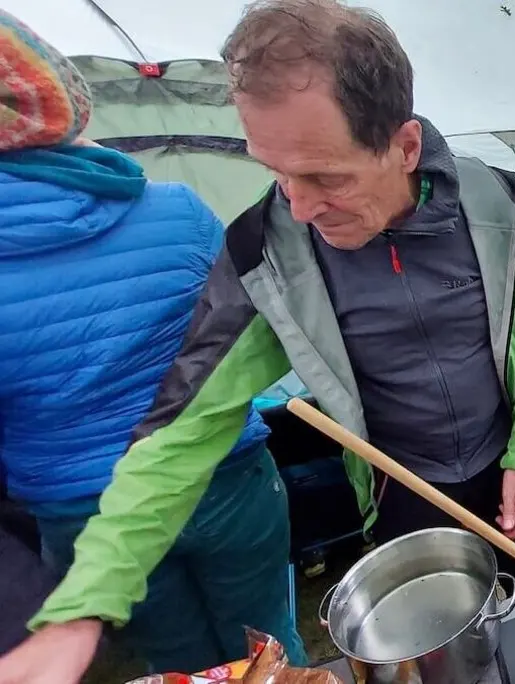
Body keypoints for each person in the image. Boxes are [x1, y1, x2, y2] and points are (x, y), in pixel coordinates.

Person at [2, 2, 515, 679]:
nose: (298, 208)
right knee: (436, 661)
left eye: (326, 177)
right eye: (276, 172)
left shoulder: (492, 204)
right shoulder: (268, 255)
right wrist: (84, 603)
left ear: (405, 146)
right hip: (399, 498)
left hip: (506, 472)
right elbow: (182, 434)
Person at [0, 9, 305, 683]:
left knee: (180, 663)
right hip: (227, 482)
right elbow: (229, 341)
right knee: (268, 641)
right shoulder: (179, 212)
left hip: (82, 511)